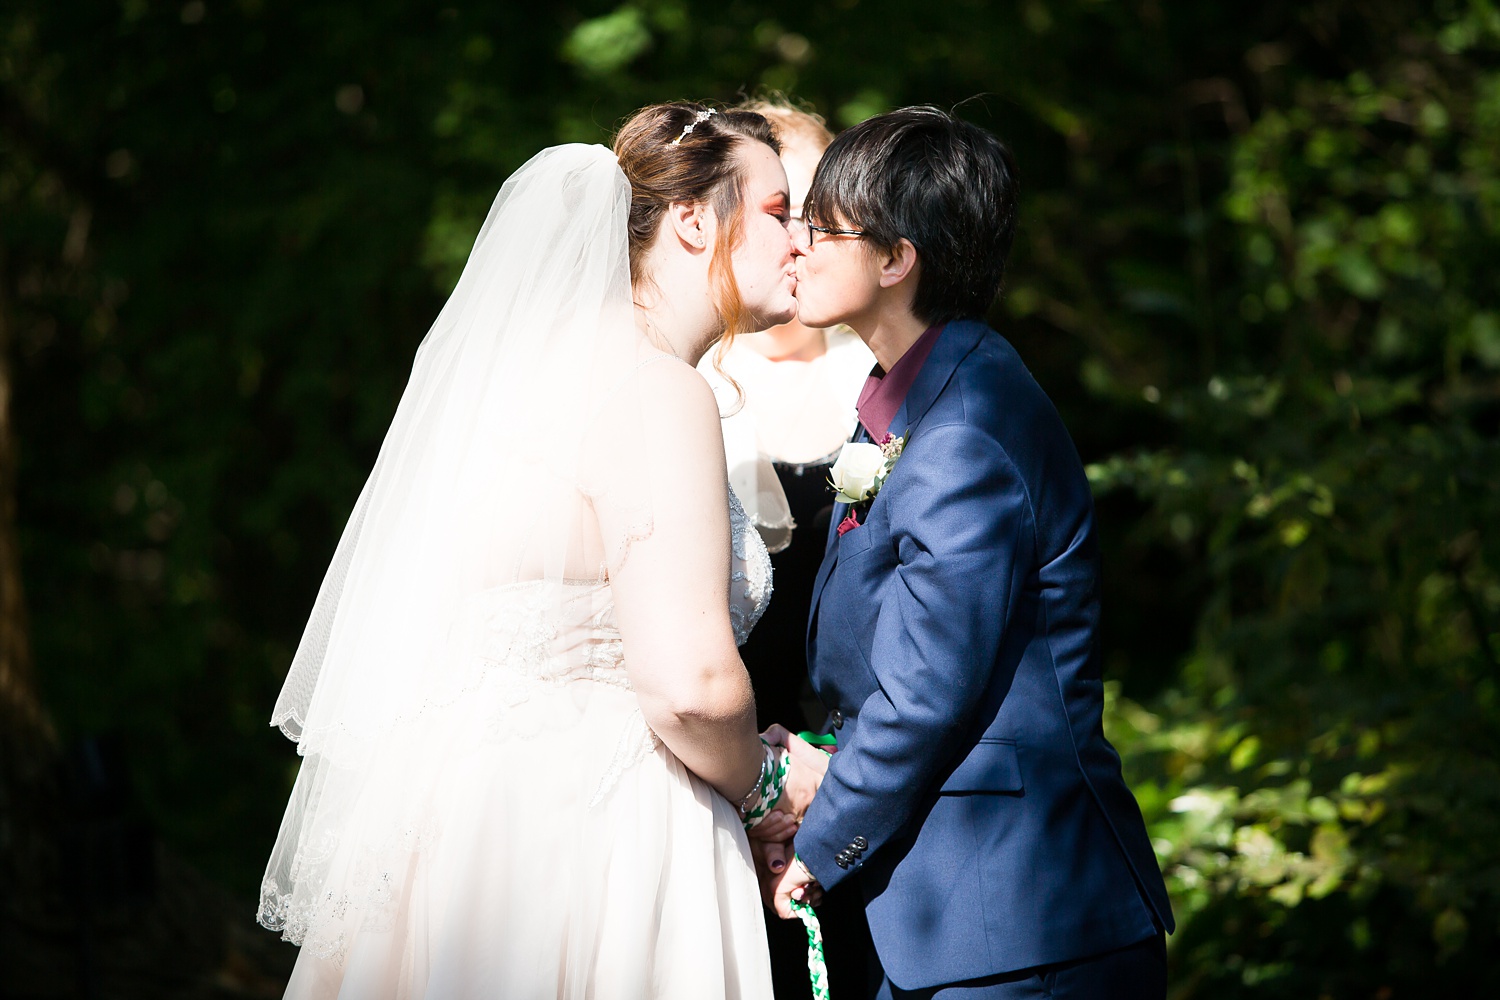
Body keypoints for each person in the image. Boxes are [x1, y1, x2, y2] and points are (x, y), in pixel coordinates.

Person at [256, 102, 813, 999]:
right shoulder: (653, 389)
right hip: (599, 836)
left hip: (469, 835)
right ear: (694, 220)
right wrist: (770, 783)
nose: (803, 243)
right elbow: (689, 685)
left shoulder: (521, 380)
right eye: (781, 212)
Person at [755, 107, 1175, 999]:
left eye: (821, 228)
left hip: (1018, 931)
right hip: (951, 917)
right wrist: (816, 747)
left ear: (895, 259)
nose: (795, 247)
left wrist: (821, 842)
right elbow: (888, 669)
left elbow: (927, 693)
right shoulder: (907, 397)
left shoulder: (964, 433)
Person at [699, 98, 876, 1000]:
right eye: (779, 211)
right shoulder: (690, 381)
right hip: (722, 769)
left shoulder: (880, 382)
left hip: (858, 771)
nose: (800, 236)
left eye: (815, 206)